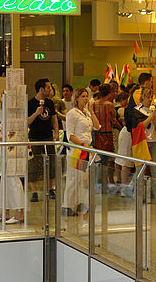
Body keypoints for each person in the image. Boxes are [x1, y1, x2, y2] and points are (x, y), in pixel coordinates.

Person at [63, 88, 100, 216]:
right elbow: (70, 136)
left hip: (87, 149)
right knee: (73, 178)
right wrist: (82, 145)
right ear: (77, 98)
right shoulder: (72, 113)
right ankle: (68, 205)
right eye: (83, 96)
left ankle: (80, 202)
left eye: (86, 96)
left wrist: (91, 112)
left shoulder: (87, 113)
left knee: (84, 179)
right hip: (77, 150)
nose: (85, 99)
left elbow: (97, 126)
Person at [131, 86, 156, 204]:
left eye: (150, 97)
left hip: (153, 142)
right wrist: (151, 116)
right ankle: (139, 195)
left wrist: (155, 118)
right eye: (147, 97)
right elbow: (139, 126)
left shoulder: (154, 110)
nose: (149, 99)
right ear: (142, 97)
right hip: (142, 143)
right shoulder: (136, 110)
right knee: (140, 170)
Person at [27, 78, 59, 202]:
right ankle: (34, 191)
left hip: (48, 137)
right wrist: (36, 113)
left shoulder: (50, 103)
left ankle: (50, 188)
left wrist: (56, 132)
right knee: (33, 164)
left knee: (51, 162)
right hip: (35, 137)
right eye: (48, 88)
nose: (50, 90)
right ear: (41, 89)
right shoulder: (30, 103)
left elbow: (54, 119)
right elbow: (27, 122)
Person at [92, 84, 122, 185]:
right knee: (107, 160)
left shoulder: (94, 104)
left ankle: (98, 181)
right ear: (108, 93)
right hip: (107, 133)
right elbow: (113, 120)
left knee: (98, 158)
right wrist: (121, 128)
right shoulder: (109, 105)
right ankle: (102, 182)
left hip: (96, 134)